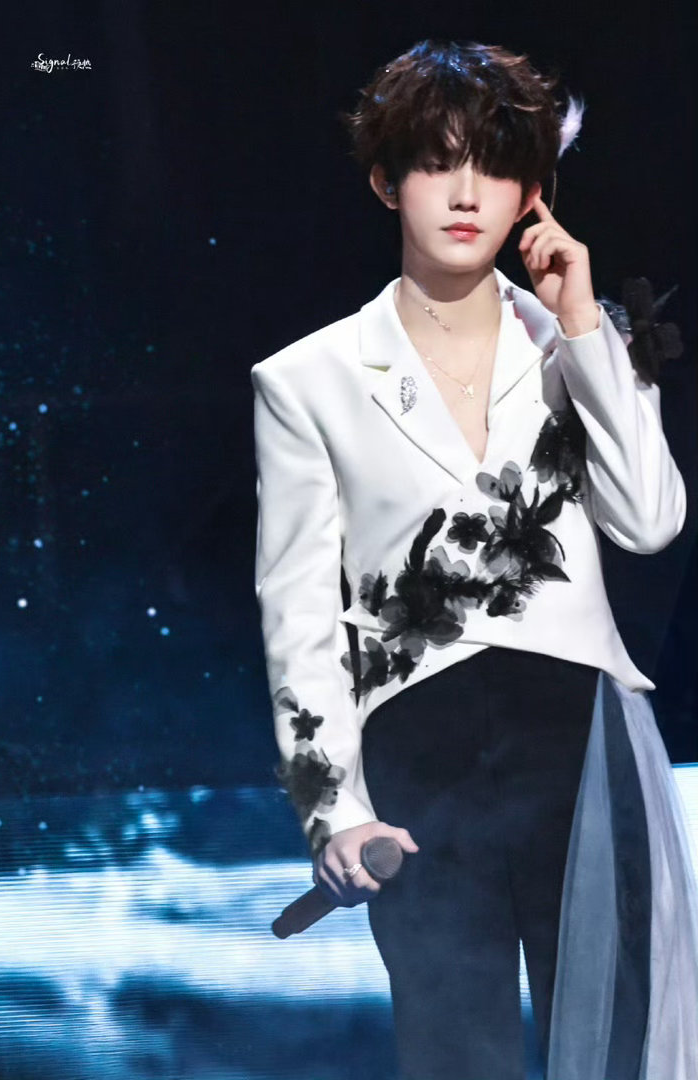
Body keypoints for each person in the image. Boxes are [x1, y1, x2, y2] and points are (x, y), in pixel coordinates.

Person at [250, 38, 698, 1080]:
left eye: (494, 165)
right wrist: (334, 811)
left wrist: (584, 328)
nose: (465, 193)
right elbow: (299, 615)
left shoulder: (582, 343)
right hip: (420, 755)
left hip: (584, 741)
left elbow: (649, 521)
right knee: (456, 1054)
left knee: (621, 1048)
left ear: (532, 192)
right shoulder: (307, 380)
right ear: (386, 181)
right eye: (436, 161)